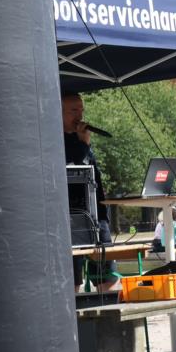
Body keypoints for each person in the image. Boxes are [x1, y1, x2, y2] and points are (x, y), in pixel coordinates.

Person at [62, 92, 118, 292]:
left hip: (97, 214)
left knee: (108, 277)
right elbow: (71, 167)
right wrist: (84, 143)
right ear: (58, 112)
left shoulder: (80, 137)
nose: (79, 115)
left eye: (81, 109)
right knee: (72, 282)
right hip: (72, 216)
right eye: (73, 110)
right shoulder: (56, 140)